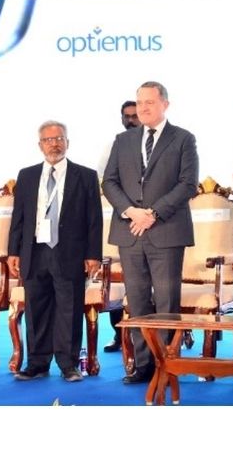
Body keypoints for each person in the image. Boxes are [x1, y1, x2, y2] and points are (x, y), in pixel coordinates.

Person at [101, 81, 200, 385]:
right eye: (140, 102)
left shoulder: (183, 138)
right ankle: (143, 365)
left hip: (166, 231)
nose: (143, 108)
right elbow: (109, 182)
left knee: (167, 302)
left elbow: (187, 184)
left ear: (164, 105)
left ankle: (166, 363)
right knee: (138, 301)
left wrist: (153, 214)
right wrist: (131, 211)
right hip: (130, 230)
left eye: (150, 102)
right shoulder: (123, 140)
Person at [6, 122, 104, 382]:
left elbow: (94, 219)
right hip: (34, 250)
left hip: (69, 251)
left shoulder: (85, 175)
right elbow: (19, 217)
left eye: (59, 138)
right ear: (40, 145)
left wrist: (93, 254)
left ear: (67, 143)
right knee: (36, 309)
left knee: (69, 309)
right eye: (48, 140)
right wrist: (13, 251)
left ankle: (68, 364)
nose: (54, 144)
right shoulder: (27, 175)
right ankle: (37, 363)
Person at [99, 99, 139, 356]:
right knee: (118, 277)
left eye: (135, 115)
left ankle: (156, 338)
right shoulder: (114, 145)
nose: (131, 120)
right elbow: (105, 180)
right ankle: (120, 334)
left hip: (154, 222)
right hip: (124, 220)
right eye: (127, 116)